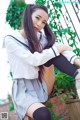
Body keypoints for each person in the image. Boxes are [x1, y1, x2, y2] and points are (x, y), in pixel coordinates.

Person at [4, 4, 80, 120]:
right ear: (28, 16)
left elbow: (59, 48)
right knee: (43, 114)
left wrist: (76, 60)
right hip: (23, 89)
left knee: (53, 53)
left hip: (39, 84)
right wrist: (59, 48)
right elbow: (32, 60)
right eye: (37, 18)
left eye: (44, 22)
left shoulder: (40, 37)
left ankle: (78, 75)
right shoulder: (10, 39)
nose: (40, 24)